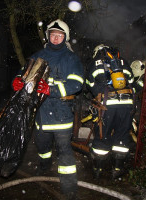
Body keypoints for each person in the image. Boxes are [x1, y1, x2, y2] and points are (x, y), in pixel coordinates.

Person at [12, 19, 84, 199]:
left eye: (59, 35)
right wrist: (18, 81)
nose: (56, 38)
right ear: (48, 36)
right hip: (41, 112)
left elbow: (77, 83)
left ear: (65, 37)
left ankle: (69, 189)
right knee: (43, 147)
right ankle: (44, 168)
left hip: (62, 113)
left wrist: (50, 89)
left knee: (64, 153)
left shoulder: (71, 58)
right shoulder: (37, 56)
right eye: (53, 34)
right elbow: (24, 73)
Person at [85, 44, 135, 180]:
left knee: (102, 136)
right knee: (122, 135)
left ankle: (98, 169)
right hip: (126, 105)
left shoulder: (95, 62)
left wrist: (98, 93)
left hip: (107, 105)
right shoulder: (122, 60)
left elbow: (89, 82)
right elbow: (131, 80)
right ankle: (117, 169)